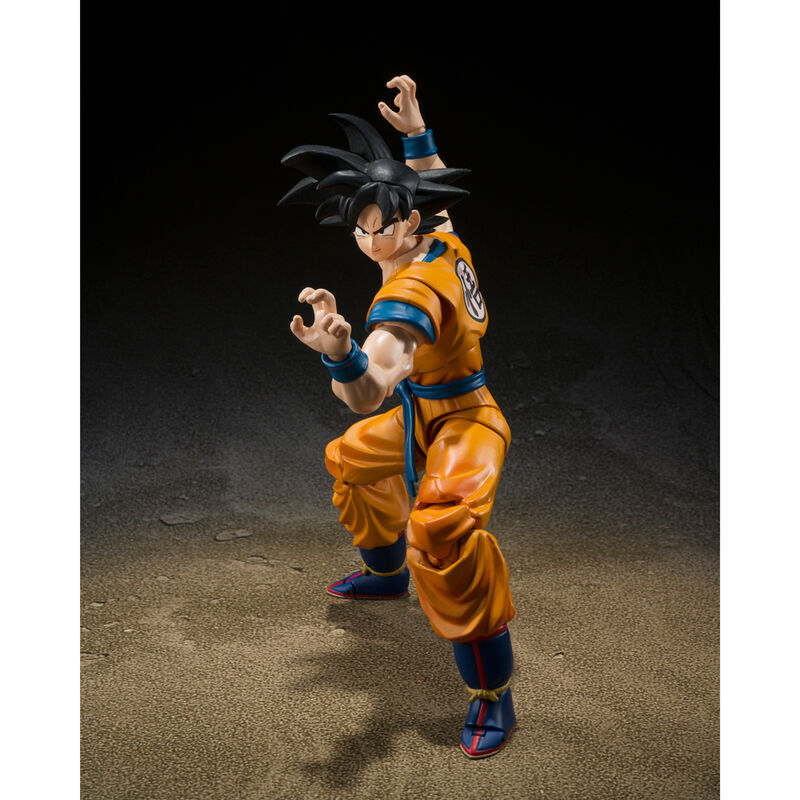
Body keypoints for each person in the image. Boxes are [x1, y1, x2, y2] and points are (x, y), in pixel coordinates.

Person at [279, 76, 517, 759]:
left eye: (377, 226)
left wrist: (342, 354)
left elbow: (371, 389)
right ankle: (387, 576)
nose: (366, 239)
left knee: (442, 532)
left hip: (467, 421)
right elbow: (435, 183)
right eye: (358, 227)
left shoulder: (412, 291)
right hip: (422, 415)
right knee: (351, 459)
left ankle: (492, 693)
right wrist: (416, 134)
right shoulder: (439, 234)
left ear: (406, 220)